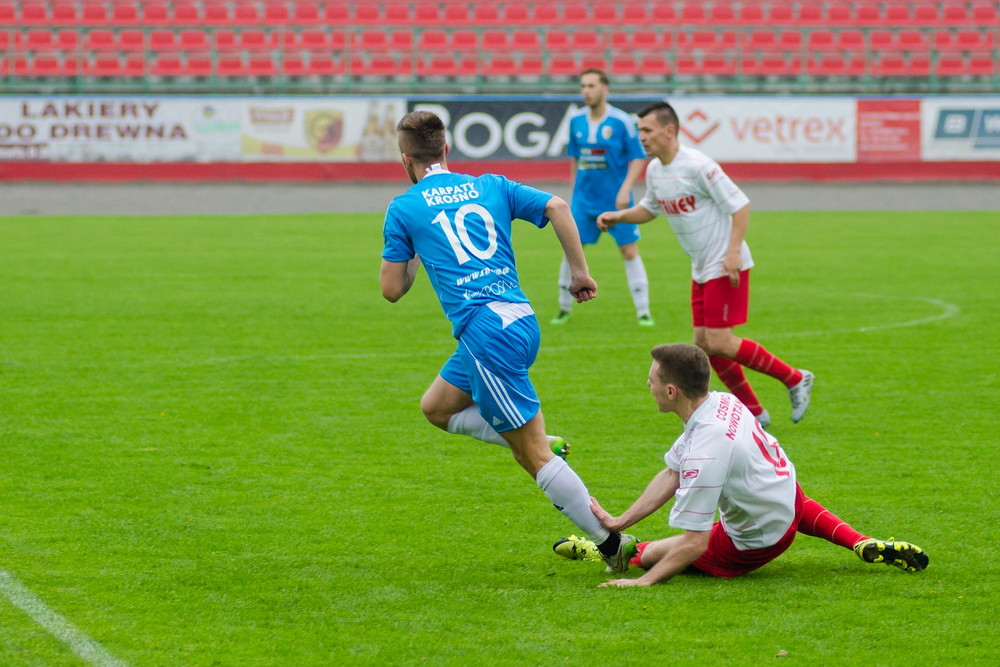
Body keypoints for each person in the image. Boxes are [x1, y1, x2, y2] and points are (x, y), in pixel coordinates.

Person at [380, 110, 638, 571]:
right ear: (446, 149)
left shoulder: (404, 207)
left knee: (532, 455)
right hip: (518, 320)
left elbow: (392, 289)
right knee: (437, 408)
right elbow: (558, 206)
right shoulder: (491, 184)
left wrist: (416, 246)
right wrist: (579, 273)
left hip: (484, 336)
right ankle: (538, 437)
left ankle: (612, 546)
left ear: (405, 159)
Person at [552, 343, 929, 587]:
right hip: (789, 499)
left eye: (650, 380)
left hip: (754, 542)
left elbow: (694, 543)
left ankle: (617, 552)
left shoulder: (705, 452)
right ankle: (858, 541)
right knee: (777, 496)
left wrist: (643, 581)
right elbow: (671, 472)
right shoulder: (722, 402)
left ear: (671, 391)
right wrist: (620, 520)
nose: (646, 385)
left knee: (656, 553)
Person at [598, 101, 812, 428]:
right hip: (700, 266)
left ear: (669, 130)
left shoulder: (699, 166)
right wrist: (620, 216)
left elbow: (740, 205)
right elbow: (651, 208)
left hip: (724, 263)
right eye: (640, 130)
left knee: (720, 341)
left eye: (647, 130)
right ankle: (755, 411)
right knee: (704, 343)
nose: (641, 136)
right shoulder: (655, 170)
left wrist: (733, 252)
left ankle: (795, 378)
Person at [552, 69, 654, 327]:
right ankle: (563, 309)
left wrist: (625, 189)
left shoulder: (621, 121)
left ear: (605, 88)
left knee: (628, 250)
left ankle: (643, 312)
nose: (586, 91)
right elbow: (575, 158)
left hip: (615, 202)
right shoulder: (576, 120)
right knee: (572, 249)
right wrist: (573, 191)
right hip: (583, 200)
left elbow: (637, 157)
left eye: (591, 86)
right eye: (583, 86)